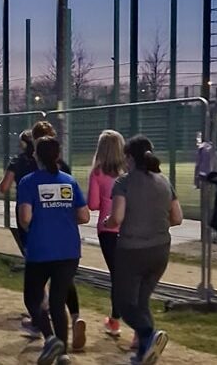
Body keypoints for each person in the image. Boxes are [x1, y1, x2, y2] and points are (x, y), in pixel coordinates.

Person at [104, 135, 183, 365]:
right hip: (160, 250)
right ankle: (143, 355)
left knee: (123, 302)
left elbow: (117, 217)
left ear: (129, 158)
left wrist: (108, 221)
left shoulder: (124, 182)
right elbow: (177, 218)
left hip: (132, 250)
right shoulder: (164, 181)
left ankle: (149, 335)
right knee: (141, 301)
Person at [18, 137, 90, 365]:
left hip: (41, 248)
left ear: (36, 156)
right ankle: (63, 353)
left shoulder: (28, 182)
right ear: (58, 156)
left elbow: (25, 218)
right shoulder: (69, 181)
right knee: (58, 301)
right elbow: (84, 216)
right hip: (68, 249)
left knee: (33, 298)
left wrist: (38, 224)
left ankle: (50, 339)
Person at [87, 130, 127, 337]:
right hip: (130, 230)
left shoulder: (97, 172)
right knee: (128, 276)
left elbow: (92, 205)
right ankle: (128, 320)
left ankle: (115, 320)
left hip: (108, 230)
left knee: (117, 276)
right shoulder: (129, 171)